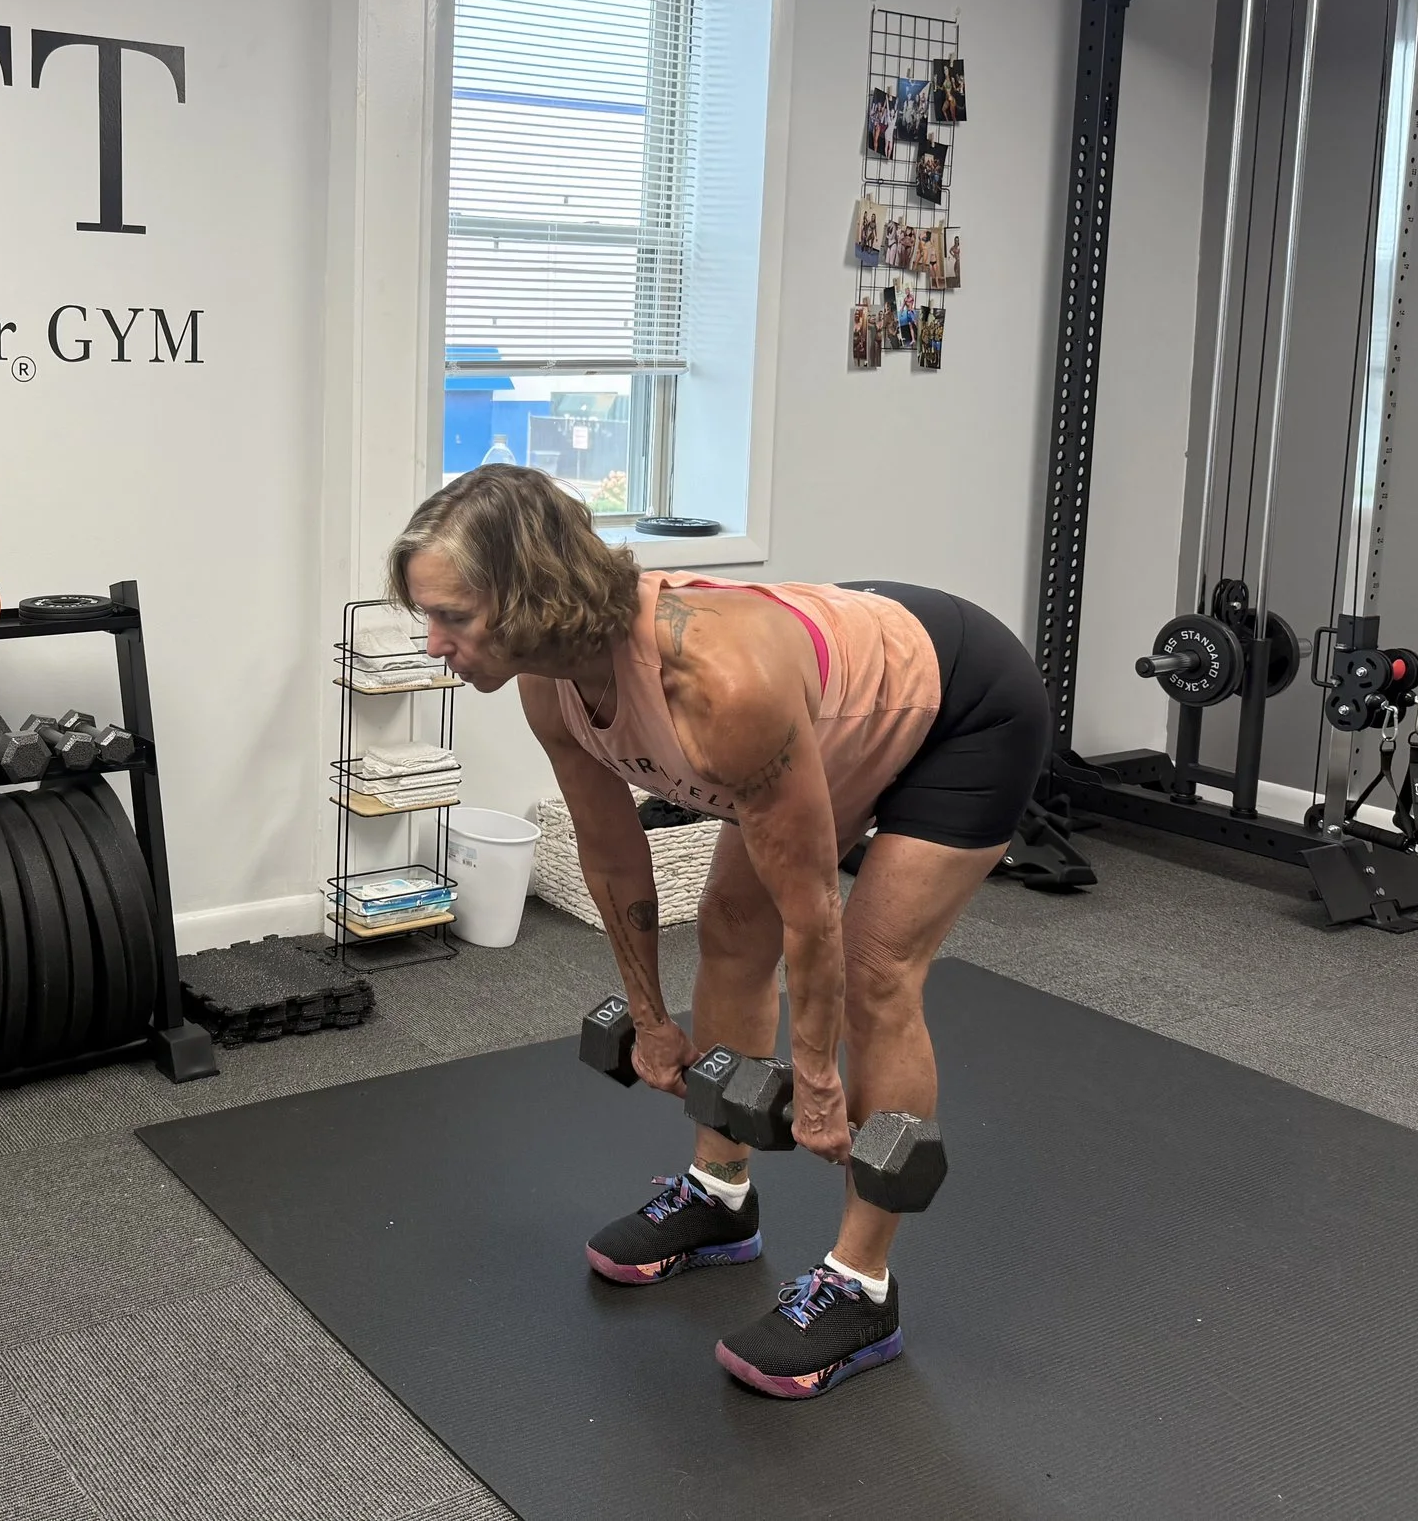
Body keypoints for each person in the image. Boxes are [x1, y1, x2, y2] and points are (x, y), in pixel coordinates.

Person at [387, 466, 1050, 1398]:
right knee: (730, 924)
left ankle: (861, 1287)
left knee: (874, 968)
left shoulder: (716, 683)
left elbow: (812, 906)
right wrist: (655, 1019)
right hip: (836, 701)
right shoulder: (551, 689)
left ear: (530, 591)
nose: (435, 644)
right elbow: (611, 858)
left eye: (452, 616)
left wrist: (817, 1077)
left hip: (959, 707)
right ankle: (719, 1196)